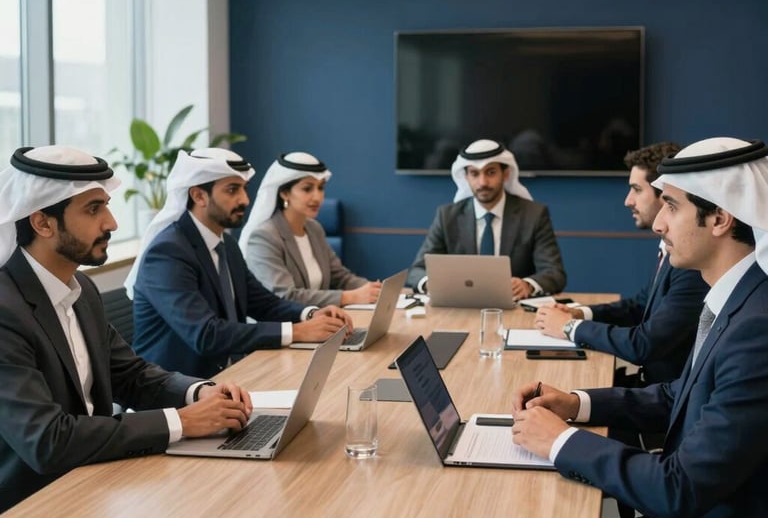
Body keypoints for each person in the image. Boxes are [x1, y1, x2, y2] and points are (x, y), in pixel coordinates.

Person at [511, 137, 768, 518]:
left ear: (720, 218)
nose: (659, 223)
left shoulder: (758, 327)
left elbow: (679, 488)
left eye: (671, 205)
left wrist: (560, 441)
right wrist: (576, 403)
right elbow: (678, 395)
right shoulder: (739, 297)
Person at [0, 145, 251, 518]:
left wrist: (199, 392)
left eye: (107, 206)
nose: (112, 223)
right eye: (93, 209)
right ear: (42, 222)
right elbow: (47, 441)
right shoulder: (4, 310)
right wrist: (182, 422)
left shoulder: (81, 288)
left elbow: (132, 374)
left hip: (92, 493)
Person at [127, 148, 351, 378]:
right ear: (199, 196)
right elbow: (206, 335)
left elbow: (263, 303)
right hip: (177, 387)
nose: (245, 199)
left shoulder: (226, 244)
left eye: (244, 188)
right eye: (232, 190)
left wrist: (310, 314)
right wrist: (297, 332)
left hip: (231, 375)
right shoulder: (168, 253)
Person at [535, 142, 709, 384]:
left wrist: (569, 327)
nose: (628, 201)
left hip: (660, 395)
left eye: (636, 189)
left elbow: (644, 344)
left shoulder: (691, 265)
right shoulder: (670, 250)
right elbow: (640, 306)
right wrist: (579, 313)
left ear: (664, 196)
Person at [406, 139, 566, 298]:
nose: (483, 182)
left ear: (505, 174)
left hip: (514, 306)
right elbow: (416, 271)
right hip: (461, 305)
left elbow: (555, 272)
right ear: (466, 177)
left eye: (490, 172)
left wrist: (528, 285)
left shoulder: (534, 215)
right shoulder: (447, 216)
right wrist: (430, 283)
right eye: (474, 174)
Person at [238, 151, 382, 306]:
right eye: (307, 189)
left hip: (318, 317)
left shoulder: (314, 228)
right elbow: (284, 296)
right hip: (285, 321)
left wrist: (375, 290)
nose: (317, 197)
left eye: (320, 188)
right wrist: (349, 297)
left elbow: (340, 277)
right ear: (285, 193)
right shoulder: (264, 237)